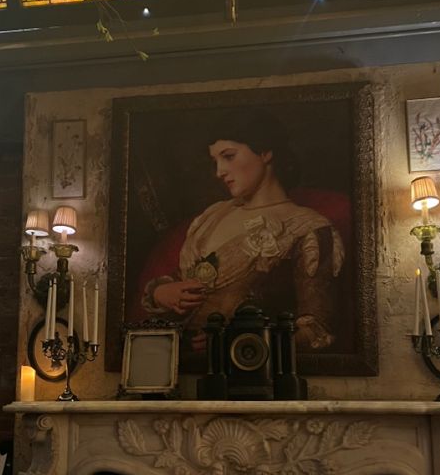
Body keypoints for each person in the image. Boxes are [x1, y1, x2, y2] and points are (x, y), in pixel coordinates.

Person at [140, 112, 346, 353]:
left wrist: (243, 339)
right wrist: (161, 292)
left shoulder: (308, 227)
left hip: (249, 371)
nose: (220, 172)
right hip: (179, 362)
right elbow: (192, 279)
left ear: (265, 152)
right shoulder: (213, 215)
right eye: (215, 161)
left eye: (228, 156)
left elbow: (317, 330)